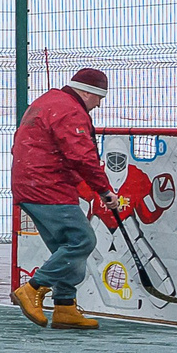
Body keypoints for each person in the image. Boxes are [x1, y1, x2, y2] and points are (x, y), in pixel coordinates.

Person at [10, 65, 121, 330]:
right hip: (49, 185)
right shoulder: (70, 110)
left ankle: (65, 307)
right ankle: (33, 288)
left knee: (66, 246)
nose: (98, 105)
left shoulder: (48, 101)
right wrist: (104, 190)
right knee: (82, 240)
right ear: (87, 93)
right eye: (99, 98)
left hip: (31, 183)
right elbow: (82, 156)